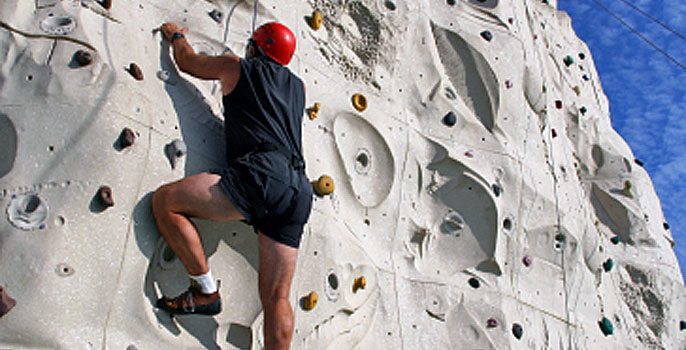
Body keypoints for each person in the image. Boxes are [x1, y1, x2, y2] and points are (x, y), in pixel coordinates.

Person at [152, 21, 312, 349]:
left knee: (165, 201)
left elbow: (187, 63)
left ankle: (205, 289)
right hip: (299, 190)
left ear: (255, 48)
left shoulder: (237, 67)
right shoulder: (298, 88)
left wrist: (177, 36)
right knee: (277, 297)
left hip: (262, 174)